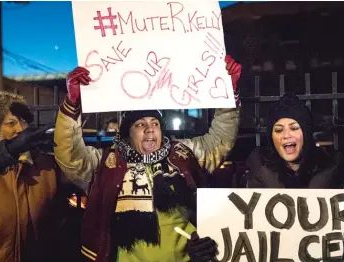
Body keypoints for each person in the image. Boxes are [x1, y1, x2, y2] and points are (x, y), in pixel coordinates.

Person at [54, 55, 242, 261]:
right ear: (128, 133)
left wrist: (228, 95)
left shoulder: (183, 154)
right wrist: (71, 106)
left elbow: (220, 140)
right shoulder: (106, 163)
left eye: (155, 123)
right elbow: (68, 153)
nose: (150, 129)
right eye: (140, 125)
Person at [0, 92, 70, 262]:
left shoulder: (46, 166)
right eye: (11, 123)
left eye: (24, 122)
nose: (20, 129)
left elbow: (59, 229)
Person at [246, 93, 344, 188]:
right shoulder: (259, 170)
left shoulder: (333, 169)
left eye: (294, 128)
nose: (286, 135)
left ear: (306, 133)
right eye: (279, 130)